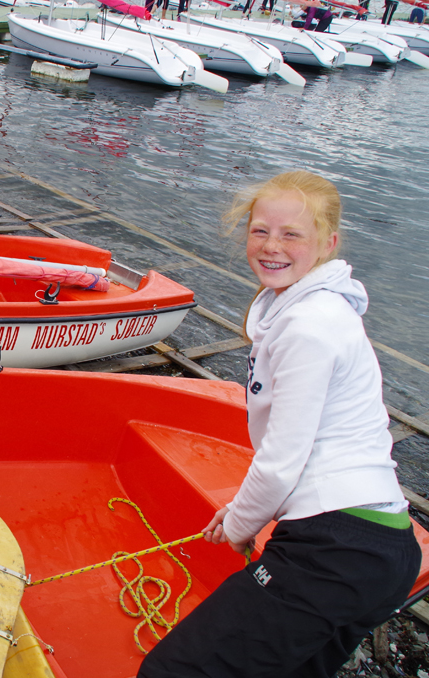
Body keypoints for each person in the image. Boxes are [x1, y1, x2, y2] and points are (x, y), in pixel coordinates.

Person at [138, 171, 421, 678]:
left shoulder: (308, 326)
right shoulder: (317, 309)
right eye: (260, 231)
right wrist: (240, 509)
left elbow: (281, 462)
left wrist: (240, 526)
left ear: (328, 243)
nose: (272, 246)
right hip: (384, 547)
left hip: (337, 549)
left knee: (172, 671)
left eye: (292, 235)